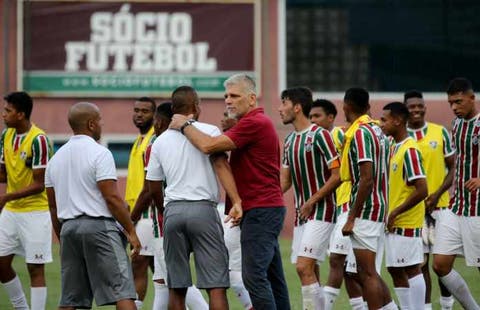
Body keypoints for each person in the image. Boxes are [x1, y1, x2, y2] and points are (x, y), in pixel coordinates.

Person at [169, 74, 290, 309]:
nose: (228, 100)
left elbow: (208, 146)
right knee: (274, 278)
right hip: (263, 208)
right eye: (226, 96)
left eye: (234, 96)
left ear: (252, 98)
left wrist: (184, 124)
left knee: (253, 276)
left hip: (262, 210)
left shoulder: (254, 123)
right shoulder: (253, 122)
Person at [146, 86, 242, 310]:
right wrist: (235, 199)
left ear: (173, 109)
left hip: (173, 211)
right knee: (216, 286)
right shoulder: (210, 130)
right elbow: (220, 165)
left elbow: (153, 185)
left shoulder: (159, 141)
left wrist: (164, 210)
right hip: (203, 211)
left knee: (177, 287)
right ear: (197, 106)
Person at [44, 102, 140, 309]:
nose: (101, 124)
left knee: (70, 299)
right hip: (99, 227)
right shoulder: (100, 153)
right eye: (99, 121)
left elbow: (52, 207)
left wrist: (62, 237)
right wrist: (131, 231)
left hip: (68, 229)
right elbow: (112, 198)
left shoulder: (55, 160)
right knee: (122, 291)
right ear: (91, 124)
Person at [131, 102, 208, 310]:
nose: (154, 124)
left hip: (165, 221)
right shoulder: (187, 139)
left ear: (165, 121)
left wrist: (131, 219)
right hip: (187, 215)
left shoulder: (157, 144)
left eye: (156, 119)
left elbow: (150, 189)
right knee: (162, 282)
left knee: (178, 280)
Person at [279, 88, 341, 309]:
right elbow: (284, 182)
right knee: (309, 270)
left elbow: (337, 175)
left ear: (297, 107)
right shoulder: (289, 141)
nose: (279, 109)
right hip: (301, 215)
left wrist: (312, 200)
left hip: (323, 211)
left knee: (303, 267)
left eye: (284, 103)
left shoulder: (320, 135)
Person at [340, 88, 396, 309]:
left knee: (367, 274)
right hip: (379, 208)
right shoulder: (378, 130)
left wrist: (351, 217)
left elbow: (366, 179)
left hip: (366, 211)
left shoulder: (362, 133)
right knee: (369, 273)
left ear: (347, 106)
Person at [309, 99, 365, 310]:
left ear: (331, 117)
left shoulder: (340, 134)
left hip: (346, 206)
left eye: (317, 116)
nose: (313, 121)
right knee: (346, 268)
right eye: (311, 117)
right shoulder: (314, 139)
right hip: (331, 209)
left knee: (339, 261)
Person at [0, 91, 52, 310]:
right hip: (11, 210)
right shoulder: (6, 135)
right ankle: (22, 308)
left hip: (36, 212)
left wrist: (6, 197)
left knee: (35, 268)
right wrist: (8, 199)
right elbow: (4, 174)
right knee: (1, 263)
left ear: (21, 114)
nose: (4, 115)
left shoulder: (39, 139)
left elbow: (39, 184)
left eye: (8, 111)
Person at [404, 90, 455, 310]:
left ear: (425, 107)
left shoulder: (440, 132)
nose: (416, 110)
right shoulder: (399, 136)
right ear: (405, 109)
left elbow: (453, 168)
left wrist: (436, 194)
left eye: (419, 106)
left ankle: (447, 305)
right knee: (420, 264)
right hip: (414, 212)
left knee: (441, 264)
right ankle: (425, 307)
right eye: (411, 106)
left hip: (441, 207)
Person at [432, 78, 480, 309]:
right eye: (451, 102)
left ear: (472, 98)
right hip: (456, 206)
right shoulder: (457, 125)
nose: (454, 107)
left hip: (478, 209)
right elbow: (457, 165)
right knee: (440, 264)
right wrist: (439, 192)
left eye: (459, 101)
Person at [380, 102, 428, 310]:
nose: (381, 124)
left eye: (384, 119)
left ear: (398, 121)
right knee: (394, 269)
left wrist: (397, 212)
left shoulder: (410, 150)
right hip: (394, 220)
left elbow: (422, 189)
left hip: (406, 220)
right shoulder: (394, 147)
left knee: (410, 268)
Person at [125, 97, 156, 309]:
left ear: (154, 115)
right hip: (138, 212)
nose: (139, 114)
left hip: (149, 214)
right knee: (163, 272)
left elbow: (149, 186)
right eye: (136, 110)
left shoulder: (153, 140)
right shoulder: (139, 141)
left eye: (145, 111)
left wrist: (132, 217)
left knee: (137, 263)